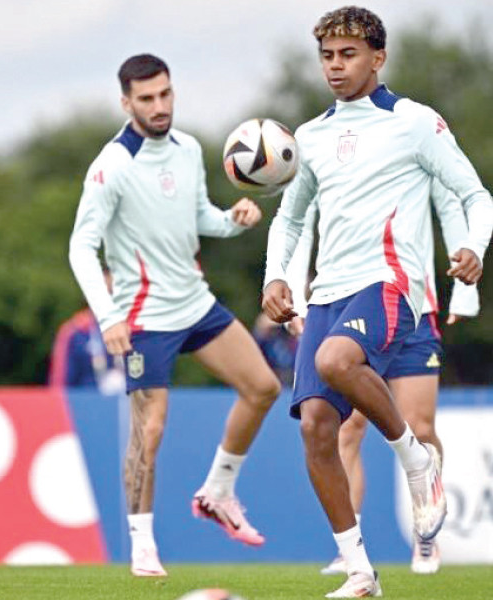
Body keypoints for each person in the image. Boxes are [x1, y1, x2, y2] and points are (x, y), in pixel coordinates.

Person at [261, 7, 493, 597]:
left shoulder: (414, 122)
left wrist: (473, 247)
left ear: (378, 57)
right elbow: (289, 218)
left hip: (390, 282)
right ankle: (360, 570)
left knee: (337, 363)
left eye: (348, 55)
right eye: (328, 56)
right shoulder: (309, 137)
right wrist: (276, 278)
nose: (336, 67)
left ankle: (417, 462)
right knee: (316, 427)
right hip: (326, 294)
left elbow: (475, 194)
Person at [68, 54, 281, 578]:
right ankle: (142, 544)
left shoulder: (187, 148)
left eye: (165, 94)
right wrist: (109, 316)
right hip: (143, 317)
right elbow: (80, 248)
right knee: (151, 429)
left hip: (195, 302)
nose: (159, 106)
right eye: (146, 99)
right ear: (126, 103)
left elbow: (198, 215)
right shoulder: (111, 166)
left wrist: (234, 219)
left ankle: (217, 491)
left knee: (264, 387)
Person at [288, 184, 479, 577]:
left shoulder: (410, 145)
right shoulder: (338, 157)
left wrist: (465, 295)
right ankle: (351, 548)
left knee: (420, 424)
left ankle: (426, 528)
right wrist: (293, 291)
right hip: (355, 307)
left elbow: (452, 202)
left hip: (414, 309)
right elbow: (298, 222)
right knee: (348, 429)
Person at [49, 269, 126, 395]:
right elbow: (59, 384)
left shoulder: (133, 330)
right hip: (84, 409)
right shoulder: (74, 332)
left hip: (126, 409)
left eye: (111, 293)